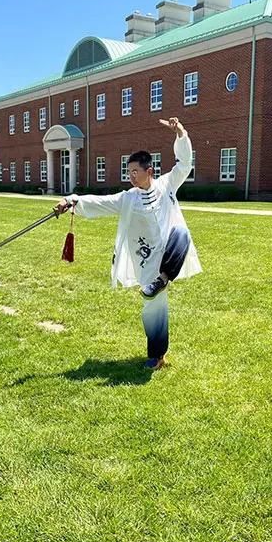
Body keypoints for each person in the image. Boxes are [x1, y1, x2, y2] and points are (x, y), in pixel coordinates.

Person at [56, 117, 201, 370]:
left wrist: (181, 134)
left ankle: (163, 279)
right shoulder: (128, 198)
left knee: (183, 234)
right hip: (147, 259)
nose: (131, 176)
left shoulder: (167, 184)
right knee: (153, 310)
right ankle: (157, 356)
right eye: (129, 172)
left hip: (170, 252)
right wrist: (72, 201)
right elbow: (100, 202)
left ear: (149, 171)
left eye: (136, 171)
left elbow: (185, 163)